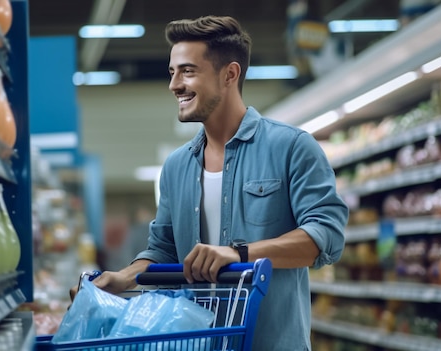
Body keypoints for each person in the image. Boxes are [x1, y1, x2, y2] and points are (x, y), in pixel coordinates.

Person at [70, 15, 348, 350]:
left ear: (230, 74)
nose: (174, 84)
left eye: (188, 71)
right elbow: (163, 249)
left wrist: (239, 254)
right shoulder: (176, 166)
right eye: (172, 72)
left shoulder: (290, 147)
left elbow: (326, 236)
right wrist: (123, 278)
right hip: (197, 343)